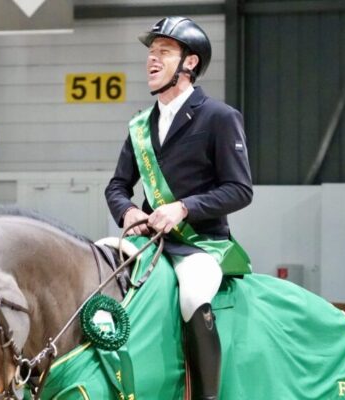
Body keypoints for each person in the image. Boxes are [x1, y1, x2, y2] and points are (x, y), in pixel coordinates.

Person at [105, 17, 253, 400]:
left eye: (164, 52)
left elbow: (239, 190)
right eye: (151, 53)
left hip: (199, 244)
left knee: (192, 296)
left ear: (189, 63)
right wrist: (128, 213)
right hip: (147, 242)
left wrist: (184, 208)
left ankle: (206, 396)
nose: (151, 60)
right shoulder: (140, 125)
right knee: (97, 269)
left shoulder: (219, 117)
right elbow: (118, 186)